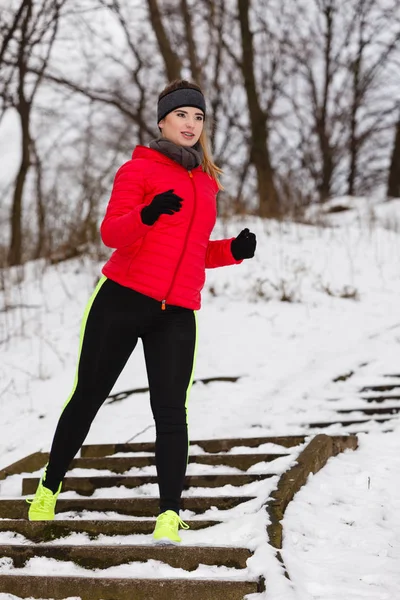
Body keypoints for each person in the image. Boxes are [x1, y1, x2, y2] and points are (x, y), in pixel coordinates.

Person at [27, 79, 257, 544]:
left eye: (198, 117)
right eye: (182, 116)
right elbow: (112, 233)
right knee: (89, 395)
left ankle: (169, 514)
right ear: (162, 122)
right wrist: (147, 214)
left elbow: (193, 251)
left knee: (172, 411)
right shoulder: (138, 171)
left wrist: (232, 250)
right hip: (123, 299)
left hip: (177, 312)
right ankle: (49, 486)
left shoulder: (207, 183)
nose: (191, 124)